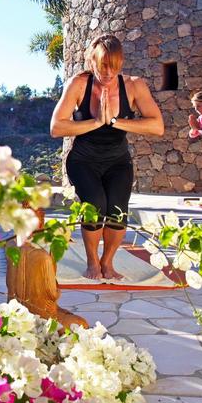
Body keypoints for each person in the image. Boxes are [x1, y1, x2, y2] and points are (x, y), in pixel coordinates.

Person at [50, 35, 164, 280]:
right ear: (92, 61)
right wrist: (96, 122)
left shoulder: (134, 85)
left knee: (117, 211)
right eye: (103, 65)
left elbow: (157, 126)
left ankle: (107, 262)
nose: (109, 71)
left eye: (115, 65)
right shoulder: (79, 84)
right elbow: (57, 127)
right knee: (95, 206)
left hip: (117, 161)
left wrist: (113, 121)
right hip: (83, 160)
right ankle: (92, 261)